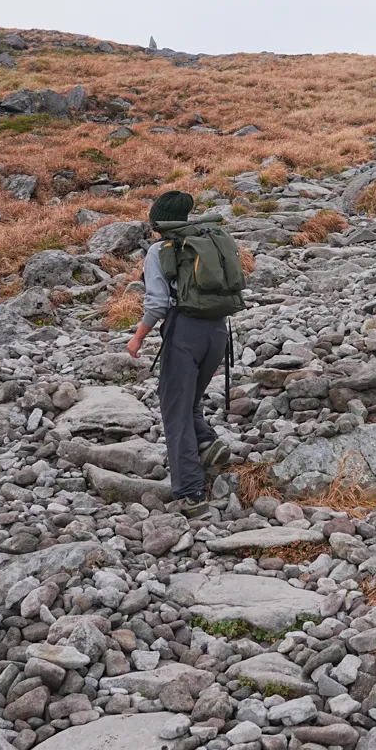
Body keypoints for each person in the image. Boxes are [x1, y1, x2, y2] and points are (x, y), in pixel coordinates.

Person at [125, 190, 234, 514]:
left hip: (184, 333)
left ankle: (191, 494)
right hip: (217, 331)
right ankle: (207, 444)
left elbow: (158, 303)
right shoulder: (207, 241)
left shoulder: (161, 250)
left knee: (173, 409)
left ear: (157, 222)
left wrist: (138, 338)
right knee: (188, 401)